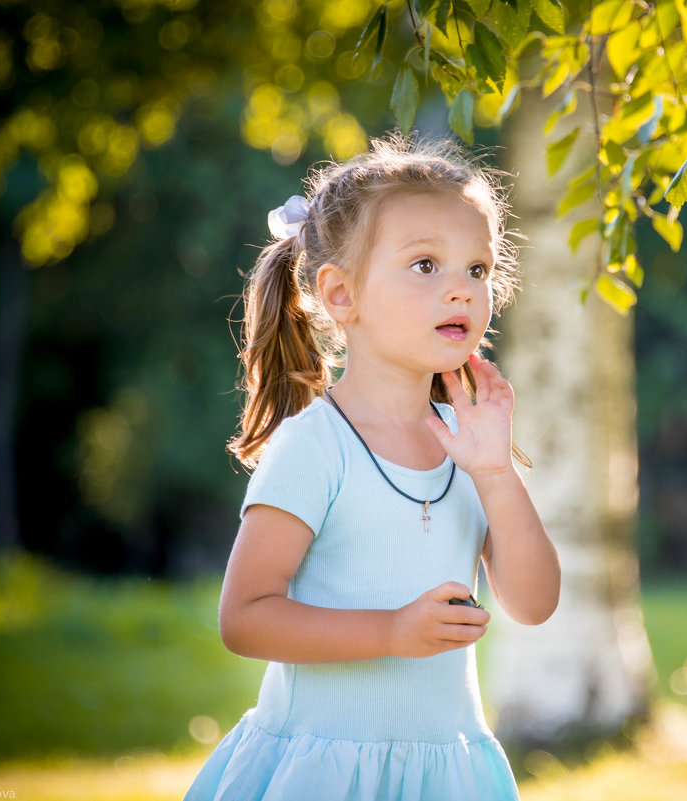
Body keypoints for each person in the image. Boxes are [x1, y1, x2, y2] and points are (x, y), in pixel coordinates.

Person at [184, 134, 561, 801]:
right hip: (324, 773)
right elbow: (245, 616)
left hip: (446, 773)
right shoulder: (314, 446)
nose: (461, 291)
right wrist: (391, 631)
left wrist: (496, 471)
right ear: (340, 294)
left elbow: (533, 603)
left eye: (478, 269)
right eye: (425, 265)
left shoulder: (472, 441)